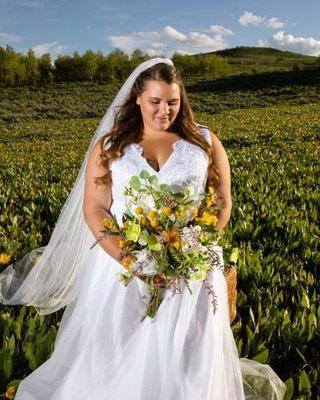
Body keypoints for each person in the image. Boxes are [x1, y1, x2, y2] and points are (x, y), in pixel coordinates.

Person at [0, 58, 287, 399]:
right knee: (116, 353)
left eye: (172, 102)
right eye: (155, 101)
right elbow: (95, 207)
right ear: (137, 98)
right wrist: (130, 258)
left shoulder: (206, 142)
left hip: (191, 265)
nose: (164, 110)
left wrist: (191, 242)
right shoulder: (111, 146)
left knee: (189, 354)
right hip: (121, 265)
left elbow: (221, 201)